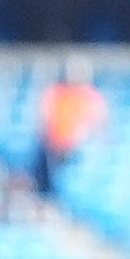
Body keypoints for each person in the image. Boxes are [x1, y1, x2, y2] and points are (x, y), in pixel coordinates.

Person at [34, 61, 106, 201]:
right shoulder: (57, 94)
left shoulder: (90, 97)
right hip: (54, 148)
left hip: (75, 149)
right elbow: (44, 119)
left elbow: (99, 125)